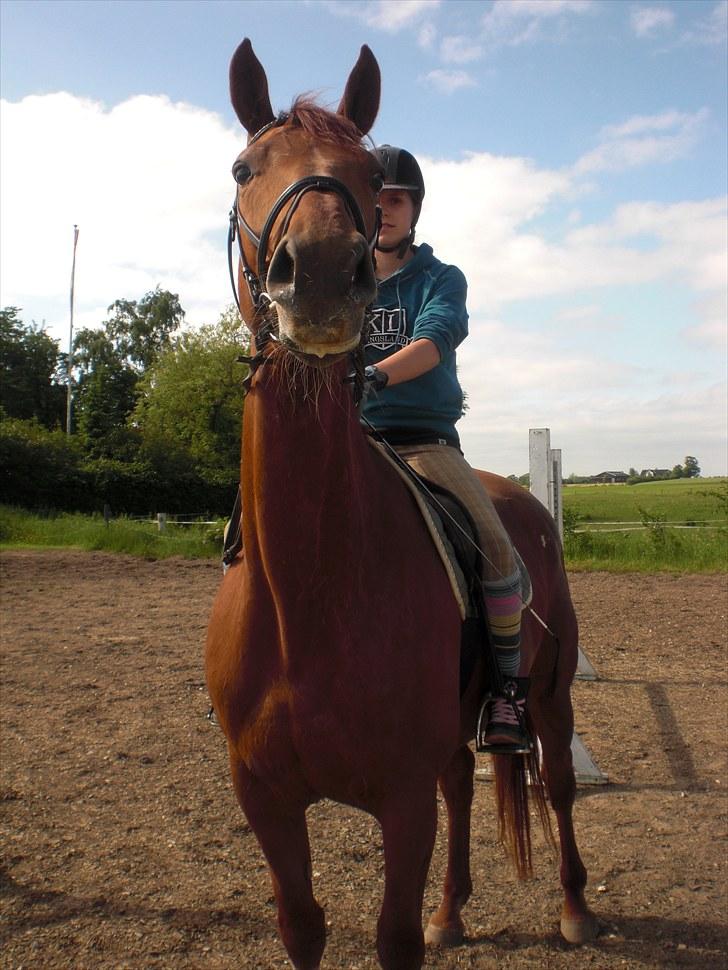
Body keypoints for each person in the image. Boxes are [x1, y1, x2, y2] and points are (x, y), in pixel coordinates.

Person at [362, 144, 530, 753]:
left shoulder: (441, 279)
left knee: (496, 548)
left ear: (415, 208)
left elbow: (434, 341)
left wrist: (375, 375)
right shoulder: (339, 276)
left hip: (422, 441)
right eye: (376, 199)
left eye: (397, 200)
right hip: (351, 437)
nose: (385, 210)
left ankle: (509, 692)